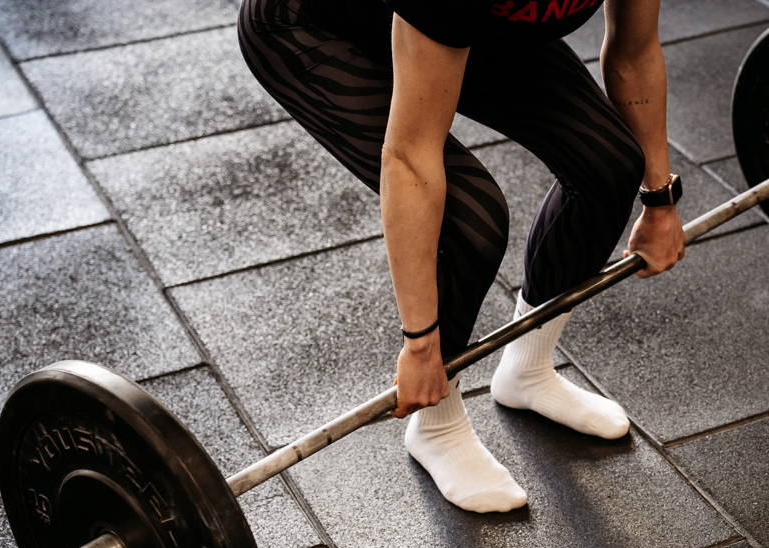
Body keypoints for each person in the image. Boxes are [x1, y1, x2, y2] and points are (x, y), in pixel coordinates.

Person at [238, 0, 686, 513]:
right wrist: (422, 347)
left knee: (608, 162)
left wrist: (659, 200)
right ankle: (436, 425)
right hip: (314, 28)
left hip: (461, 24)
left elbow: (633, 55)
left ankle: (529, 370)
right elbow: (410, 158)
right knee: (468, 218)